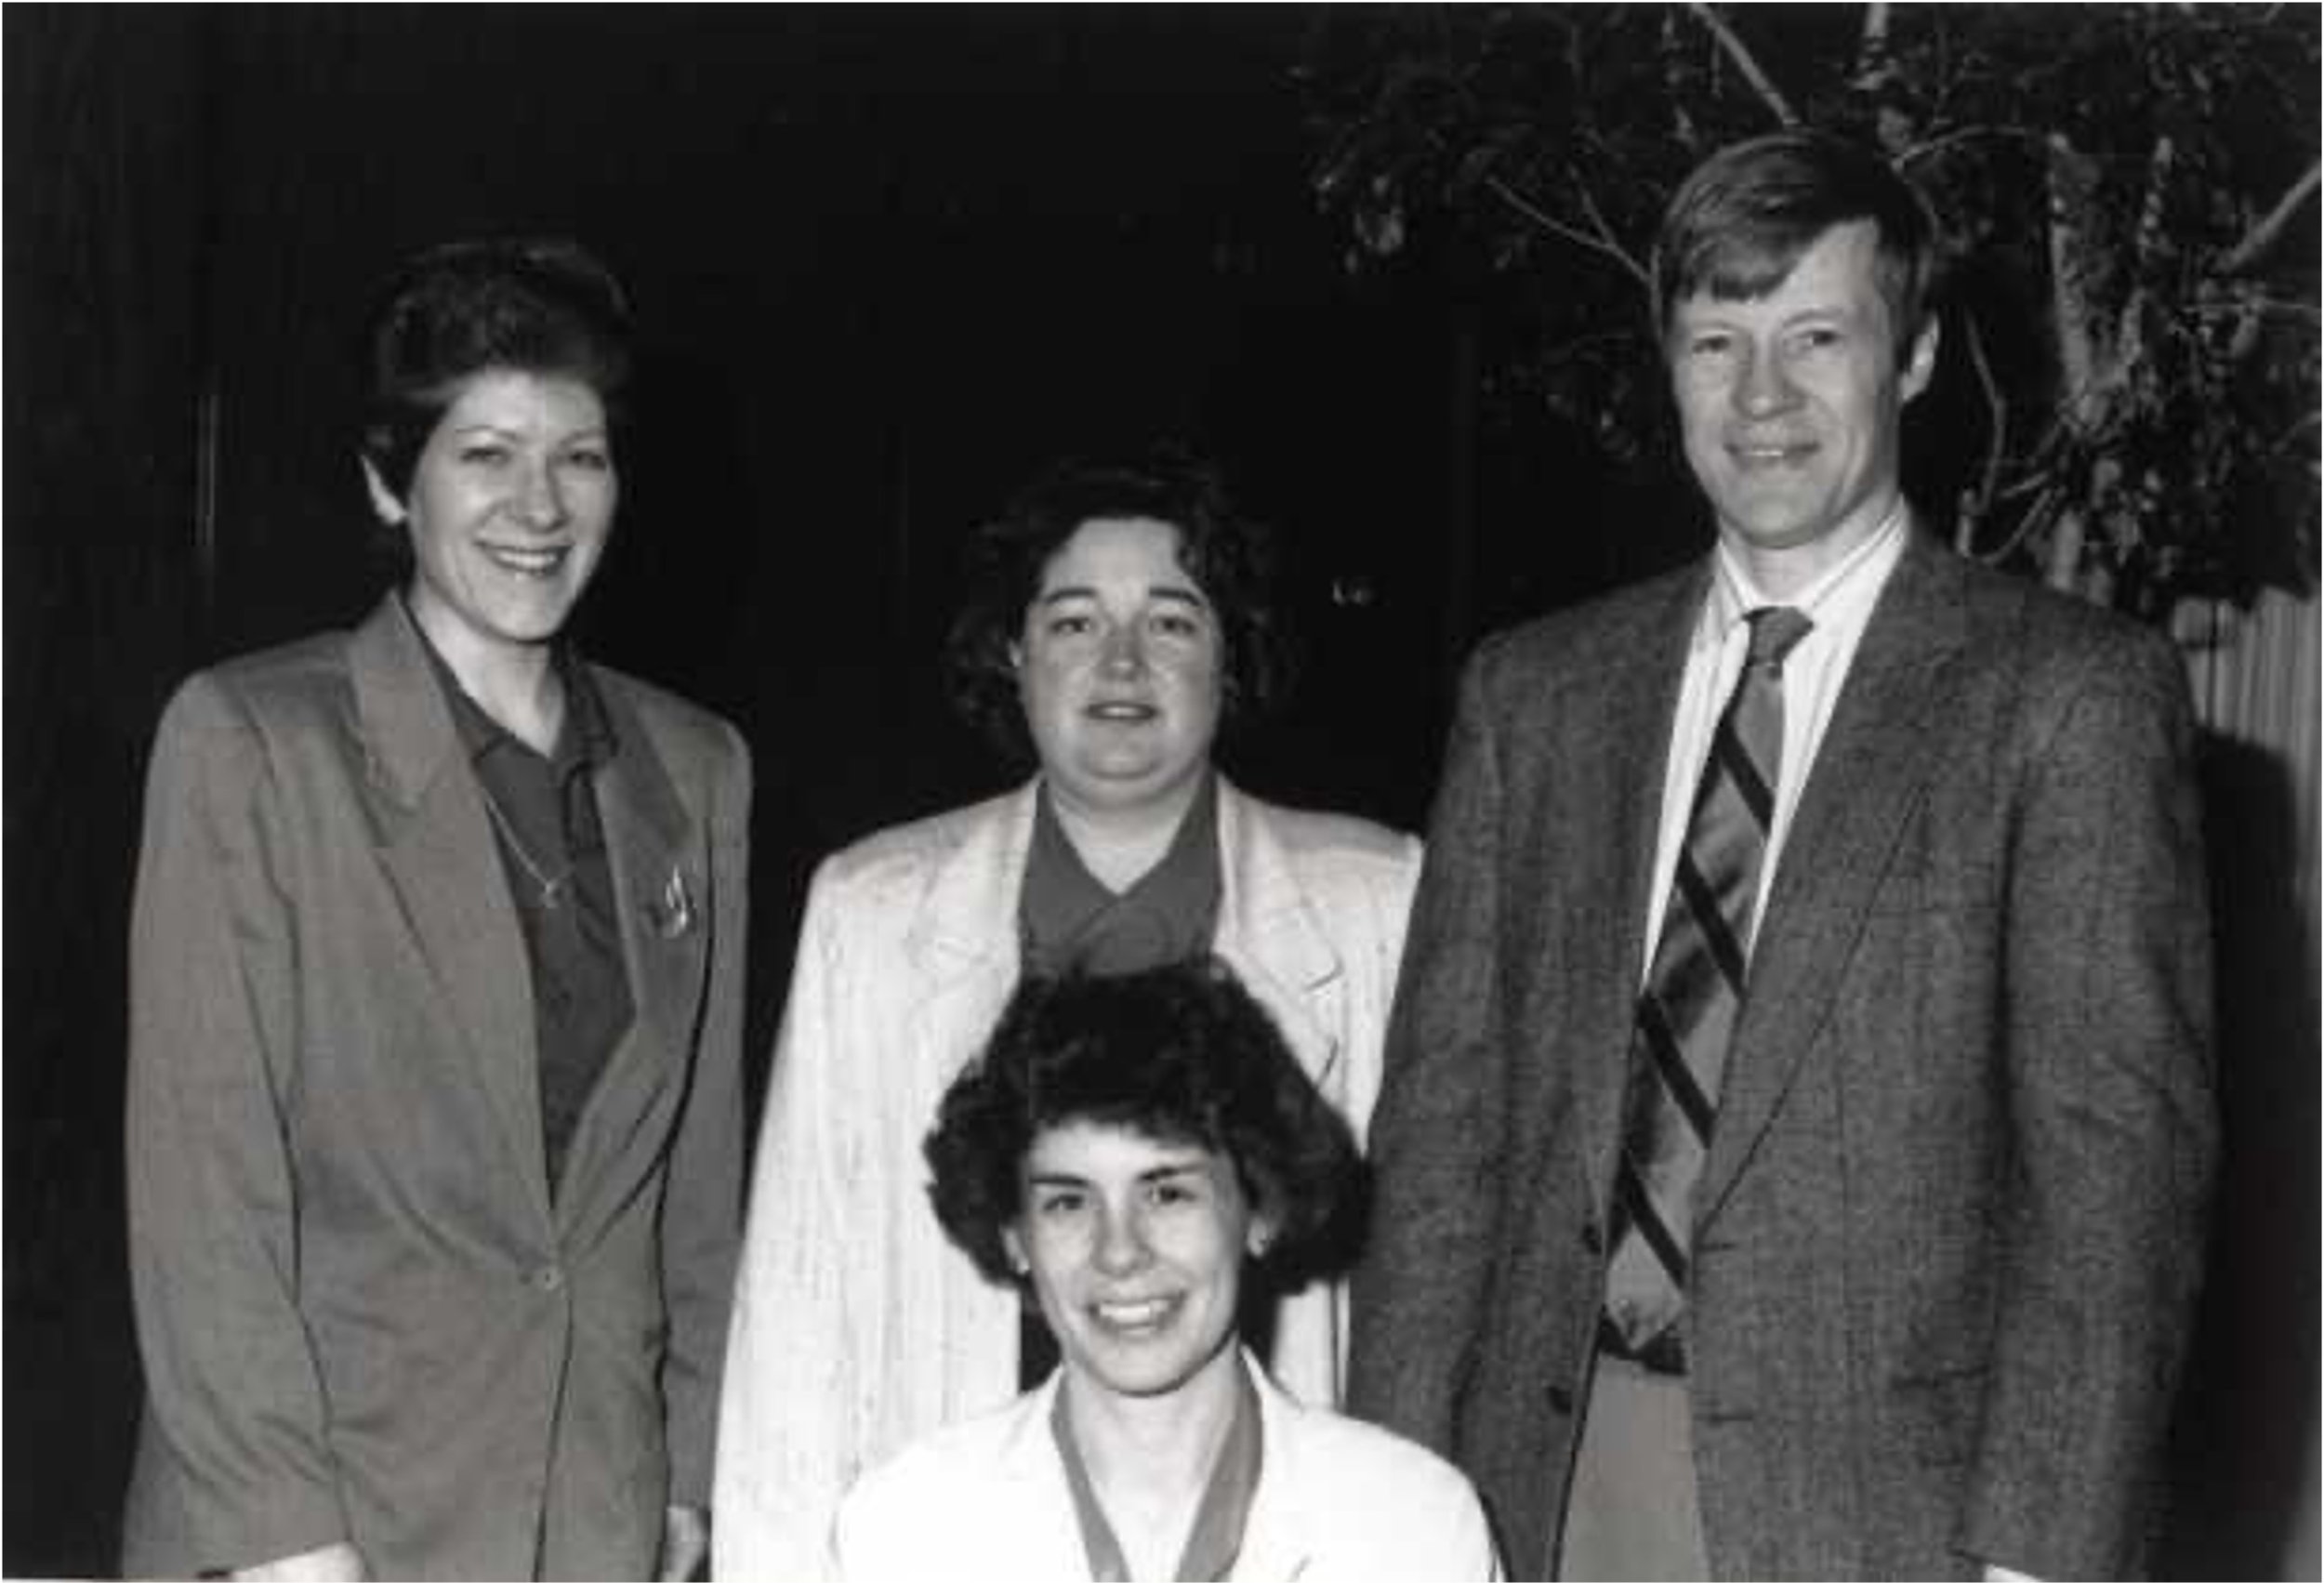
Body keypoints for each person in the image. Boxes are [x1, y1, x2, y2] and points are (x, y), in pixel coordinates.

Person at [1347, 129, 2216, 1581]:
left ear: (1918, 355)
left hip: (1888, 1516)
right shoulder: (1538, 694)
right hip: (1536, 1487)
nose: (1762, 396)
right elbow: (1445, 1143)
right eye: (1716, 341)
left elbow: (2113, 1193)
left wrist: (2041, 1559)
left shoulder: (2064, 698)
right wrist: (1382, 1504)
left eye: (1817, 335)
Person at [121, 239, 750, 1581]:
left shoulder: (694, 765)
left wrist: (691, 1466)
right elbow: (204, 1202)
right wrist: (289, 1541)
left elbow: (696, 1181)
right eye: (487, 453)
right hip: (324, 1517)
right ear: (387, 478)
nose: (540, 504)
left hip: (597, 1514)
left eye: (579, 455)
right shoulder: (253, 743)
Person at [715, 451, 1423, 1578]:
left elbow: (1420, 1286)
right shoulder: (872, 910)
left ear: (1229, 652)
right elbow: (797, 1316)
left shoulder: (1375, 899)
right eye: (1075, 621)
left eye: (1174, 621)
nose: (1123, 663)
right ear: (1013, 651)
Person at [833, 958, 1500, 1580]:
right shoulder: (901, 1530)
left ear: (1260, 1208)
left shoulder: (1415, 1526)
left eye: (1167, 1192)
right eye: (1068, 1201)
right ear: (1015, 1235)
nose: (1119, 1250)